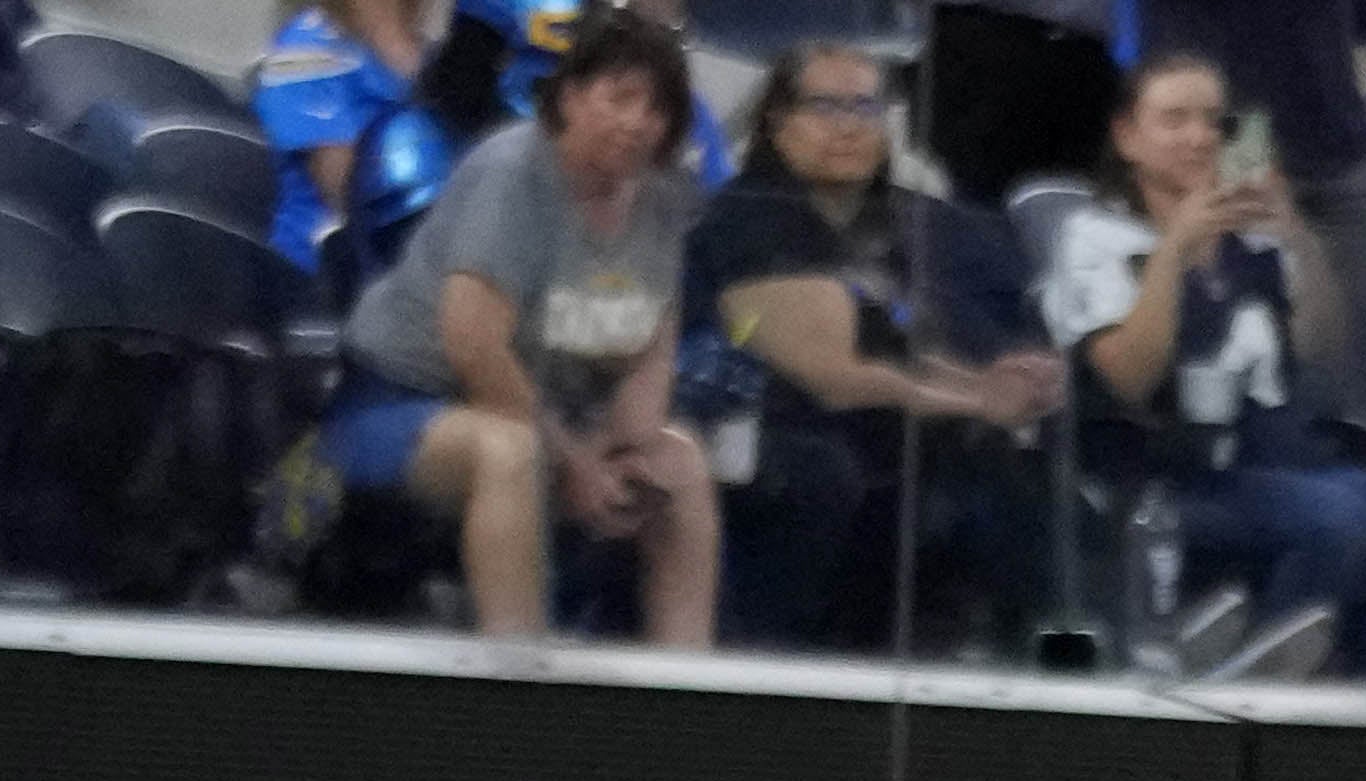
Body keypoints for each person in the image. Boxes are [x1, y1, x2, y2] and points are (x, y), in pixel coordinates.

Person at [1048, 45, 1366, 680]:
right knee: (1334, 519)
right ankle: (1262, 683)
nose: (1200, 138)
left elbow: (1322, 354)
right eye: (1175, 120)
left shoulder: (1251, 240)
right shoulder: (1093, 236)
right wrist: (1175, 252)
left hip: (1262, 464)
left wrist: (1297, 240)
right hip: (1152, 477)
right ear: (1127, 137)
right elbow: (1125, 379)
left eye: (1215, 123)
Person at [341, 5, 732, 657]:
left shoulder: (663, 195)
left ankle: (686, 678)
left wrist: (622, 449)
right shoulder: (510, 175)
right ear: (570, 96)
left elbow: (651, 342)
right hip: (410, 401)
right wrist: (576, 461)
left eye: (657, 108)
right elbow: (475, 348)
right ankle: (519, 671)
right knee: (509, 453)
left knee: (677, 462)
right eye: (620, 98)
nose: (638, 122)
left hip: (558, 410)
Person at [704, 44, 1071, 659]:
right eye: (825, 106)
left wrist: (992, 382)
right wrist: (976, 400)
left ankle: (1050, 654)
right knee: (862, 467)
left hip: (884, 431)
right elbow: (831, 376)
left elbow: (903, 348)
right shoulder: (748, 216)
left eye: (865, 106)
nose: (849, 126)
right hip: (776, 427)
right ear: (778, 119)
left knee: (1014, 465)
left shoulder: (892, 227)